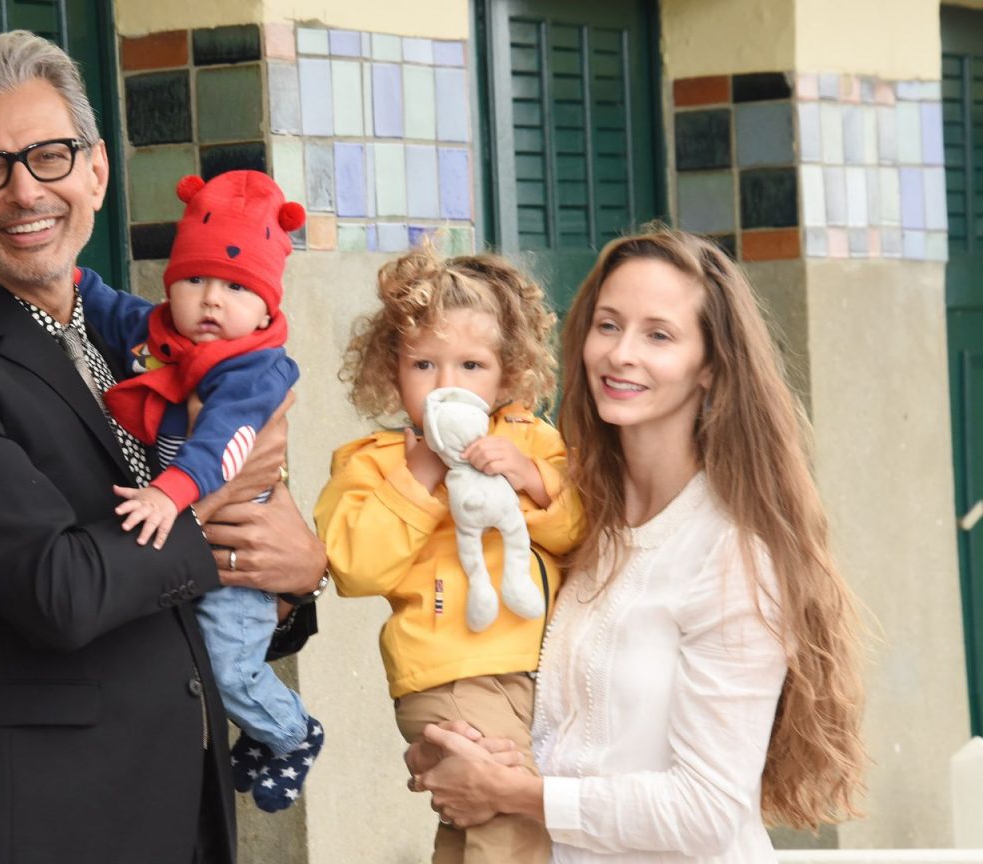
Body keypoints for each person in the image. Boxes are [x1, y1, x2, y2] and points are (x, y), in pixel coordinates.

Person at [0, 30, 327, 864]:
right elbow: (60, 592)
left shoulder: (140, 340)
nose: (25, 191)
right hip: (40, 819)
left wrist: (293, 578)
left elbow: (194, 581)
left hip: (183, 802)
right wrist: (212, 500)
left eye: (51, 156)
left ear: (97, 171)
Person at [405, 228, 866, 862]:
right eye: (608, 325)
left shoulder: (730, 554)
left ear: (709, 365)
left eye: (659, 335)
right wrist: (459, 744)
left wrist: (516, 793)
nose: (622, 354)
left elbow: (706, 811)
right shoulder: (569, 517)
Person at [314, 247, 582, 863]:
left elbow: (580, 530)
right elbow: (353, 566)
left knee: (472, 827)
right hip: (451, 676)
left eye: (472, 365)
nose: (447, 386)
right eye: (424, 365)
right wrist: (418, 479)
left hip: (535, 675)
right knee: (515, 821)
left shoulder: (534, 442)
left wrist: (532, 480)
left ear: (508, 375)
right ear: (391, 370)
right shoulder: (373, 462)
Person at [79, 169, 324, 812]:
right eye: (195, 280)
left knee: (227, 667)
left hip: (234, 540)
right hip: (189, 539)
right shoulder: (162, 334)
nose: (211, 300)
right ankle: (260, 730)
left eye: (236, 287)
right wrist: (68, 278)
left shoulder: (254, 369)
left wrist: (171, 493)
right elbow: (104, 305)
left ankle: (291, 734)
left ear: (268, 306)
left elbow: (225, 443)